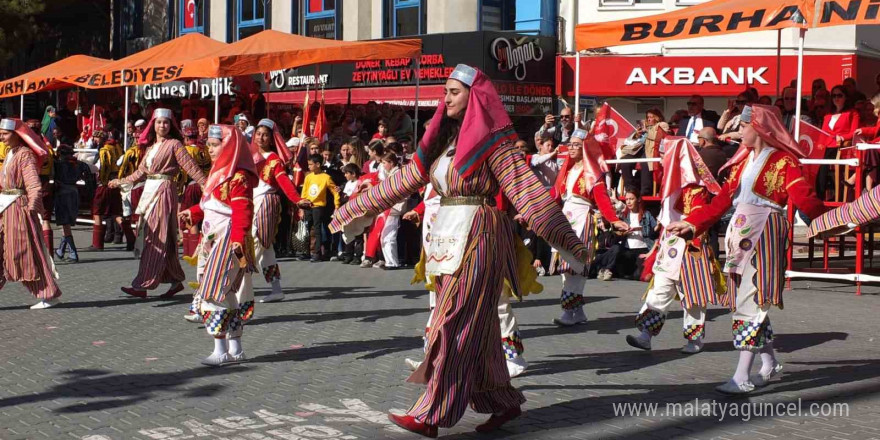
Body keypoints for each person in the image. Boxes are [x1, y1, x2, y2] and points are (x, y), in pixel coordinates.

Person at [330, 64, 589, 435]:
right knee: (476, 327)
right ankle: (502, 402)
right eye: (445, 92)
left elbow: (529, 195)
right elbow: (404, 179)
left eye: (453, 91)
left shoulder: (496, 143)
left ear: (474, 96)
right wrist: (353, 209)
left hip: (481, 235)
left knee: (451, 321)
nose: (446, 98)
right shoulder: (443, 142)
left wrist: (569, 243)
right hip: (446, 236)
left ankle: (432, 412)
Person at [665, 105, 828, 395]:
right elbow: (721, 202)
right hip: (742, 236)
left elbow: (805, 197)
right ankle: (769, 363)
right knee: (747, 299)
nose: (739, 132)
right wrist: (691, 224)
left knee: (750, 300)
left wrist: (835, 220)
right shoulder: (741, 163)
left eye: (743, 126)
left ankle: (742, 376)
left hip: (764, 232)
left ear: (760, 128)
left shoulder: (783, 161)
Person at [625, 138, 723, 354]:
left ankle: (694, 339)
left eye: (665, 155)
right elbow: (667, 222)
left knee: (692, 296)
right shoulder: (671, 189)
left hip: (690, 247)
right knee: (659, 291)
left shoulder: (696, 188)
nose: (662, 160)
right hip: (670, 248)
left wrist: (688, 226)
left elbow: (700, 215)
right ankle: (646, 335)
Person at [179, 124, 257, 366]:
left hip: (227, 241)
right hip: (213, 241)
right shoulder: (218, 172)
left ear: (229, 147)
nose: (210, 150)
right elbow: (211, 205)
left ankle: (220, 350)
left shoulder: (238, 177)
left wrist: (237, 240)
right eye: (209, 145)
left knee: (213, 293)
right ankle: (235, 348)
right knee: (228, 295)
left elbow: (243, 211)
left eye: (214, 145)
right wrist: (193, 212)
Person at [108, 108, 207, 299]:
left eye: (166, 122)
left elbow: (190, 166)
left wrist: (205, 183)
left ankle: (142, 285)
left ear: (171, 125)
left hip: (163, 191)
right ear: (153, 124)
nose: (162, 125)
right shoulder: (151, 147)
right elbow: (140, 173)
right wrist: (120, 181)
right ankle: (176, 280)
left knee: (153, 237)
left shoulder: (175, 144)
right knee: (163, 237)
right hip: (150, 191)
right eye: (159, 122)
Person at [552, 129, 628, 325]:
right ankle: (578, 311)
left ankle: (568, 312)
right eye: (570, 144)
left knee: (574, 267)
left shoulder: (592, 173)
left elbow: (602, 199)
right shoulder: (567, 170)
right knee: (567, 269)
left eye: (577, 145)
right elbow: (554, 196)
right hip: (566, 218)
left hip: (582, 218)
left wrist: (613, 219)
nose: (571, 148)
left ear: (585, 148)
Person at [0, 118, 62, 309]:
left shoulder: (25, 155)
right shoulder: (10, 153)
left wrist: (33, 207)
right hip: (4, 207)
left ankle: (48, 293)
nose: (1, 136)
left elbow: (33, 183)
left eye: (5, 133)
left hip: (18, 208)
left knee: (26, 252)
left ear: (17, 135)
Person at [249, 118, 302, 304]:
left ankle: (238, 282)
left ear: (272, 139)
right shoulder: (249, 156)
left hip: (266, 204)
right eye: (258, 134)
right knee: (267, 249)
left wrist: (297, 199)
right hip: (251, 203)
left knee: (255, 242)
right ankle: (276, 289)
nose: (261, 138)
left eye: (265, 135)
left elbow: (284, 183)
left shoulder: (274, 160)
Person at [594, 188, 657, 281]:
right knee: (617, 251)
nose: (629, 202)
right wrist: (624, 233)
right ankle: (604, 269)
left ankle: (615, 271)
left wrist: (649, 253)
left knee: (638, 275)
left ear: (638, 199)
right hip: (627, 249)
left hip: (643, 250)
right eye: (627, 199)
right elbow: (614, 237)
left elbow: (655, 234)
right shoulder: (623, 215)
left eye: (631, 199)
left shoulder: (647, 215)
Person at [817, 85, 860, 201]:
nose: (836, 98)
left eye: (839, 95)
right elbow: (822, 134)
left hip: (840, 147)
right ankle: (819, 196)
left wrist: (842, 137)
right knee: (815, 163)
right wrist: (819, 145)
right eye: (834, 96)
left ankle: (826, 196)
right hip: (826, 147)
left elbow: (854, 133)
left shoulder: (852, 113)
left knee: (824, 163)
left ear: (845, 97)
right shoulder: (828, 115)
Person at [53, 144, 95, 263]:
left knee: (64, 224)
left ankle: (73, 253)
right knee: (66, 224)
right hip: (74, 192)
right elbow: (90, 179)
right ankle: (61, 250)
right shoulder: (80, 164)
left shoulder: (58, 165)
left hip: (62, 193)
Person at [86, 130, 124, 251]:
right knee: (116, 212)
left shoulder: (104, 150)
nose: (94, 140)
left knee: (97, 212)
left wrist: (84, 166)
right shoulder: (116, 147)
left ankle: (97, 243)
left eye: (96, 138)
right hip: (115, 183)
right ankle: (131, 238)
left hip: (104, 184)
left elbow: (99, 167)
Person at [298, 154, 341, 262]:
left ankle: (317, 253)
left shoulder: (326, 177)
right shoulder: (308, 177)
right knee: (307, 229)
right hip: (308, 206)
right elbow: (304, 193)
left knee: (317, 229)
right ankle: (306, 251)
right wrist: (301, 207)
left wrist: (337, 205)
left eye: (311, 164)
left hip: (319, 207)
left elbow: (335, 191)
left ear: (318, 164)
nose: (309, 167)